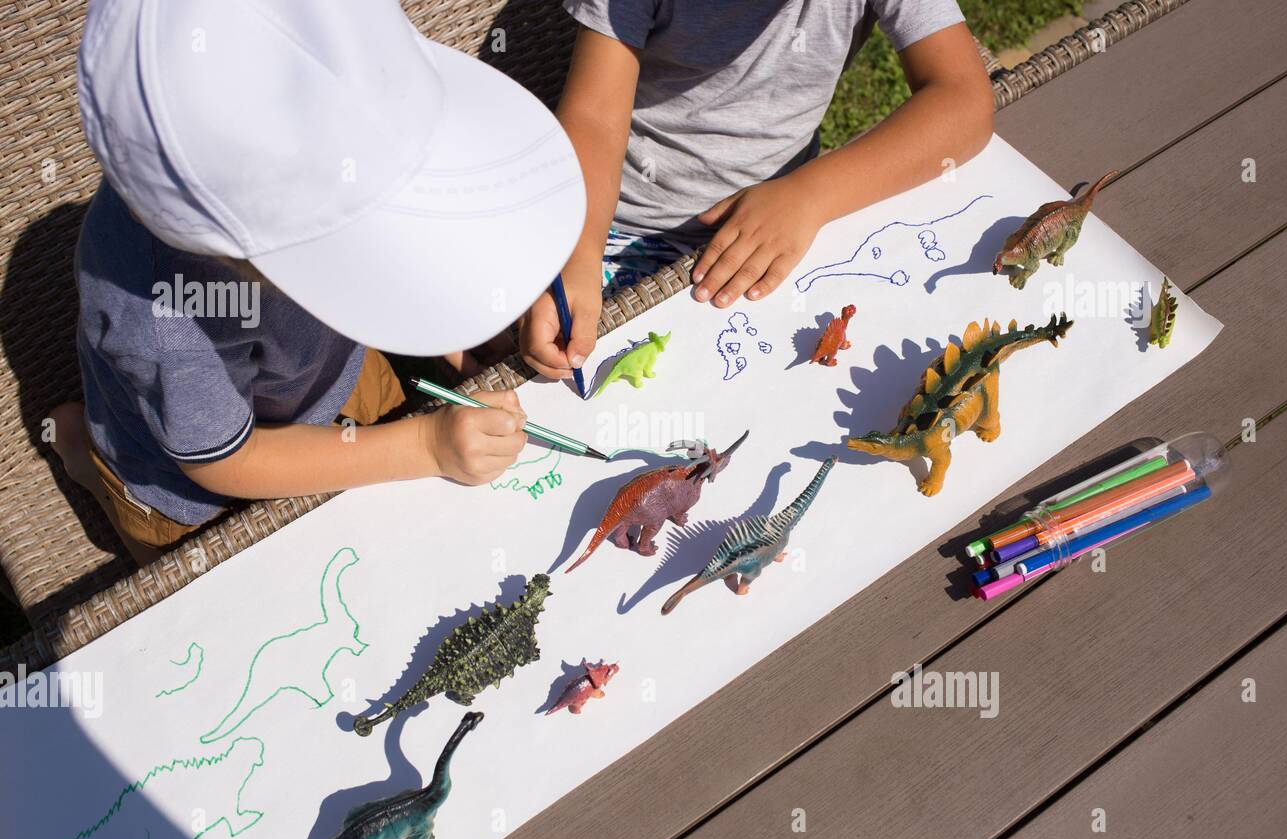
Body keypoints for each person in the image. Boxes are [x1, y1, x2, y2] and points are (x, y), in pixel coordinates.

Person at [49, 0, 585, 565]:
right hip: (183, 483)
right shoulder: (163, 315)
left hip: (329, 377)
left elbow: (371, 251)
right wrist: (426, 445)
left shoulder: (317, 143)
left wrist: (450, 334)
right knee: (223, 576)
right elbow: (220, 461)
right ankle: (89, 456)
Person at [521, 0, 992, 381]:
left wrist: (811, 196)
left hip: (781, 228)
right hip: (620, 221)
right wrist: (579, 251)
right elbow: (595, 118)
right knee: (542, 361)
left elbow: (965, 101)